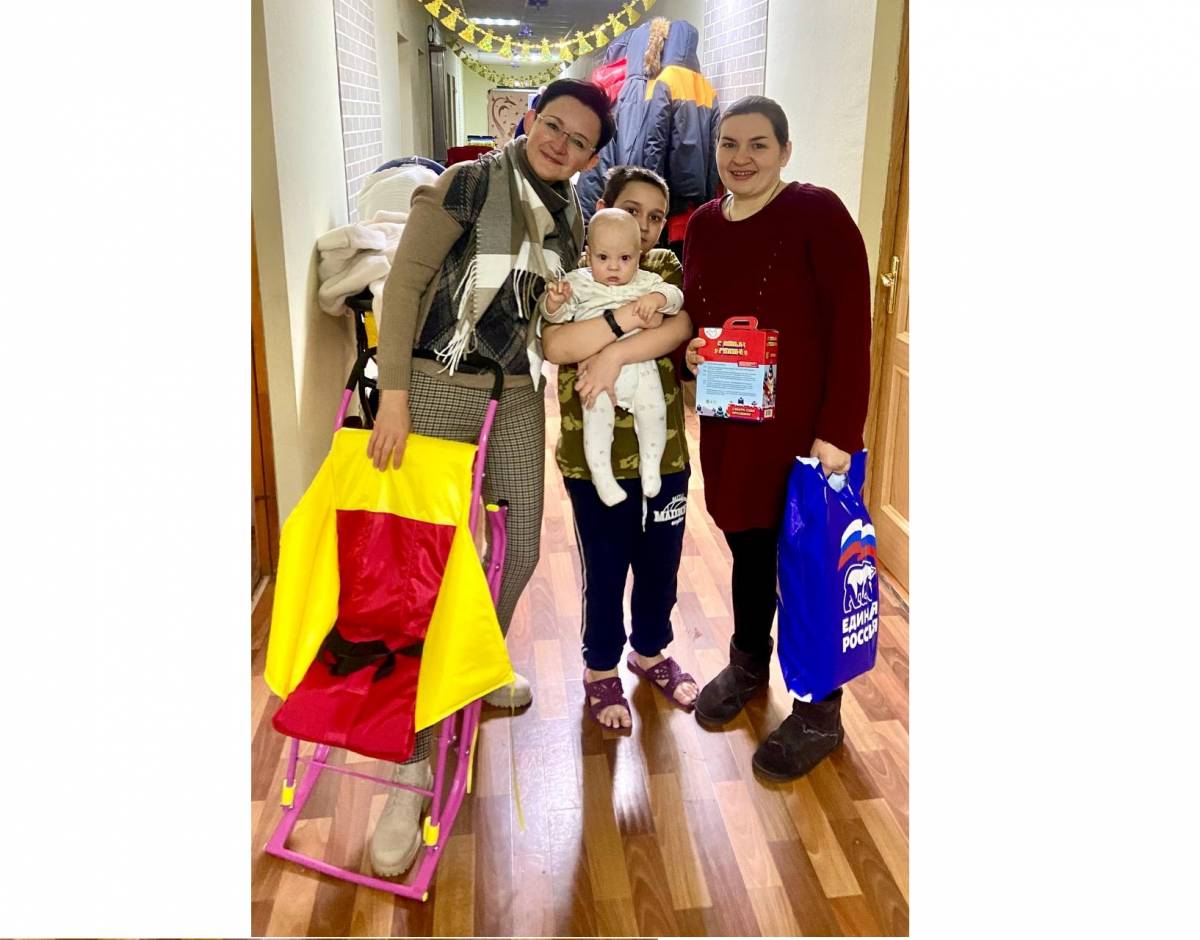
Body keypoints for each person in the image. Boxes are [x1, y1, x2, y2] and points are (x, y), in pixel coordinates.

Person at [363, 78, 615, 876]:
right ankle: (411, 767)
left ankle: (469, 667)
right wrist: (392, 396)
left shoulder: (573, 216)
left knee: (518, 551)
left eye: (579, 141)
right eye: (553, 126)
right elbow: (405, 284)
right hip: (434, 384)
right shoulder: (466, 183)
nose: (560, 144)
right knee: (427, 572)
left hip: (516, 393)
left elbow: (554, 316)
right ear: (529, 120)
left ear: (591, 157)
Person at [681, 96, 871, 781]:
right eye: (729, 144)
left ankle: (820, 712)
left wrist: (838, 433)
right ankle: (748, 664)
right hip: (733, 428)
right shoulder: (704, 225)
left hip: (803, 436)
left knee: (810, 570)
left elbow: (851, 329)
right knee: (750, 551)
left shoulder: (817, 214)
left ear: (785, 151)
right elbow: (696, 316)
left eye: (758, 144)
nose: (741, 157)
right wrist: (691, 357)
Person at [542, 166, 699, 731]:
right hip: (594, 463)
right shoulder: (576, 274)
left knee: (661, 565)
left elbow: (679, 326)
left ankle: (651, 651)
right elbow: (558, 344)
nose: (646, 226)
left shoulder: (660, 269)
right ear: (603, 211)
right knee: (606, 570)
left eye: (656, 217)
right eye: (633, 211)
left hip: (666, 457)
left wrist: (611, 354)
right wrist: (622, 324)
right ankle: (601, 666)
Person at [538, 208, 684, 506]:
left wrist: (656, 299)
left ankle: (651, 465)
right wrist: (555, 302)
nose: (614, 267)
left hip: (640, 368)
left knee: (654, 412)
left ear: (639, 256)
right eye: (603, 258)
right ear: (589, 254)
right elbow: (557, 317)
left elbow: (675, 298)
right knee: (597, 419)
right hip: (595, 371)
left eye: (625, 258)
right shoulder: (578, 283)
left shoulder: (646, 281)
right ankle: (602, 475)